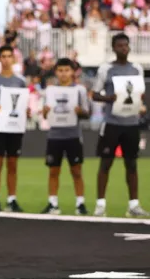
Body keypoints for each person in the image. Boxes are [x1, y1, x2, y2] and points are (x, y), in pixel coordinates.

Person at [90, 33, 149, 217]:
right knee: (105, 163)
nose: (124, 48)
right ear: (114, 48)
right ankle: (100, 205)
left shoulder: (137, 68)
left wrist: (140, 103)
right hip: (112, 123)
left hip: (131, 123)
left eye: (126, 45)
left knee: (131, 164)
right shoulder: (106, 69)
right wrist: (109, 98)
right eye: (120, 46)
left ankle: (133, 205)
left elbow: (140, 94)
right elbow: (94, 94)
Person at [41, 58, 90, 215]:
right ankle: (52, 203)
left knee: (76, 171)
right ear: (56, 72)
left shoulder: (80, 90)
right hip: (55, 135)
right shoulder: (50, 91)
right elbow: (44, 114)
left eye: (67, 70)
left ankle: (80, 203)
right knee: (53, 171)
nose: (63, 74)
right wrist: (46, 111)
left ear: (72, 72)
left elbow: (87, 113)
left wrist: (80, 111)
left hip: (73, 135)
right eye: (60, 70)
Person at [0, 45, 29, 212]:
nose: (7, 59)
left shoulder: (20, 81)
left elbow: (24, 103)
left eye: (10, 56)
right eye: (4, 56)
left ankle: (12, 199)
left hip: (15, 128)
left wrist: (26, 110)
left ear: (13, 59)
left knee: (13, 164)